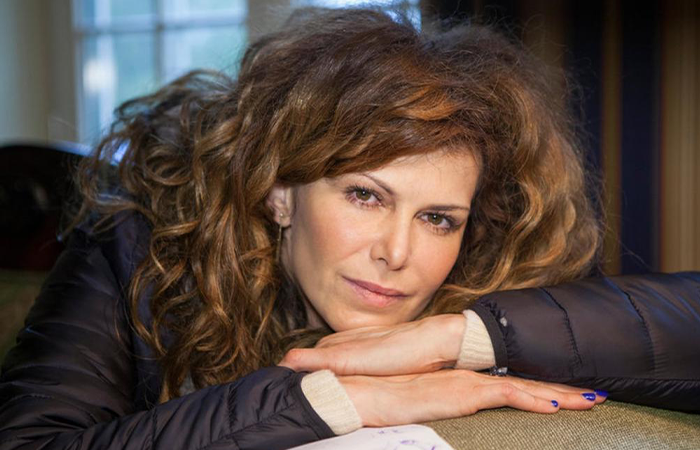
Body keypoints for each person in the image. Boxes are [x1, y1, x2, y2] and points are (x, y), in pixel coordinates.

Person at [1, 6, 698, 450]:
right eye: (365, 195)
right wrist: (330, 398)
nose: (398, 253)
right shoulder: (138, 243)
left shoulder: (494, 268)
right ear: (279, 192)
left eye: (437, 218)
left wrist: (467, 336)